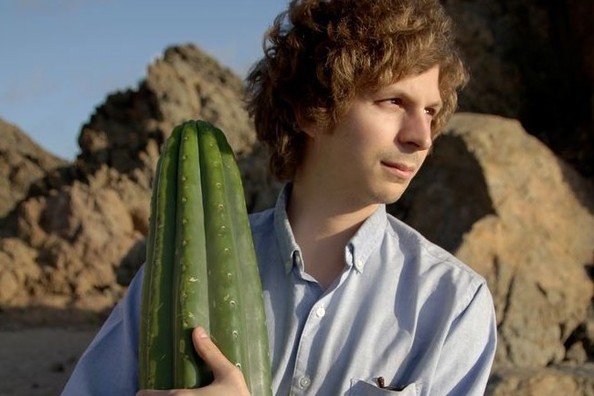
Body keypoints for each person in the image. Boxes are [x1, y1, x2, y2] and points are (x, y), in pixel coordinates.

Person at [62, 0, 497, 395]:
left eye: (430, 111)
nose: (421, 136)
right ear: (311, 109)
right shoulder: (179, 273)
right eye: (392, 101)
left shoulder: (452, 303)